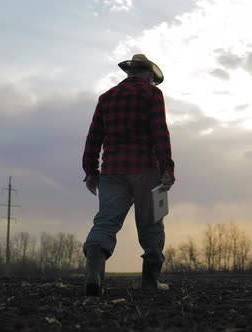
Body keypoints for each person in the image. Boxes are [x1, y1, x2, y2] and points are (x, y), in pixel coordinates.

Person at [82, 54, 175, 296]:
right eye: (153, 79)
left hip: (112, 170)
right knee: (152, 223)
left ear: (129, 72)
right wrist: (167, 167)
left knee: (105, 222)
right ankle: (150, 282)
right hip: (146, 169)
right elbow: (159, 133)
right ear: (148, 75)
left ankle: (95, 262)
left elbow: (94, 137)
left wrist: (91, 171)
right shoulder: (151, 94)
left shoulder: (106, 97)